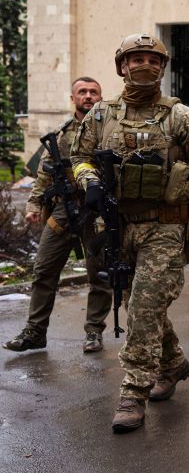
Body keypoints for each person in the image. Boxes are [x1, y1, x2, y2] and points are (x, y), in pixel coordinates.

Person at [70, 34, 189, 433]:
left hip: (165, 226)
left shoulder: (180, 117)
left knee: (144, 307)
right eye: (135, 59)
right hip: (116, 225)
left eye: (152, 60)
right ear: (122, 66)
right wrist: (89, 179)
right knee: (136, 301)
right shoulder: (99, 116)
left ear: (163, 68)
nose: (144, 65)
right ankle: (174, 364)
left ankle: (133, 392)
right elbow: (79, 157)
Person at [3, 78, 112, 354]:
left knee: (99, 274)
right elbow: (44, 173)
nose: (88, 96)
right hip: (65, 208)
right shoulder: (60, 134)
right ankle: (35, 331)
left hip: (98, 211)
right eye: (82, 92)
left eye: (93, 92)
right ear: (72, 98)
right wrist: (34, 205)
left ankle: (94, 332)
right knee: (44, 270)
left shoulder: (111, 131)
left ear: (101, 97)